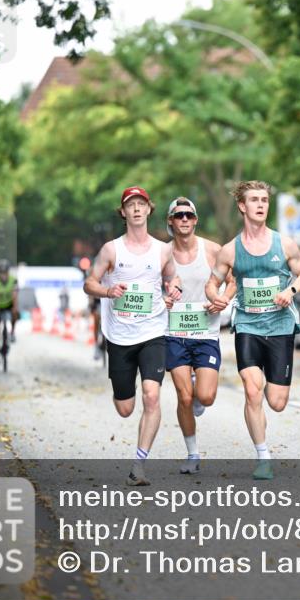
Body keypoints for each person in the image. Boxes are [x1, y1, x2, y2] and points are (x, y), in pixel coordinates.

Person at [206, 181, 300, 481]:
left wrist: (290, 290)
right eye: (254, 200)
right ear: (242, 206)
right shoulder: (230, 251)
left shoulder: (285, 244)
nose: (260, 205)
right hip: (248, 326)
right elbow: (213, 282)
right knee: (253, 391)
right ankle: (263, 456)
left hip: (280, 326)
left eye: (264, 199)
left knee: (276, 402)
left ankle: (270, 388)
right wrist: (218, 297)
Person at [83, 186, 181, 486]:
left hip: (153, 332)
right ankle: (120, 390)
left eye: (141, 204)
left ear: (149, 210)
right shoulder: (112, 250)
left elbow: (172, 277)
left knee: (152, 397)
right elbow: (89, 283)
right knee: (125, 408)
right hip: (119, 336)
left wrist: (174, 289)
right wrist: (107, 291)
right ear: (123, 212)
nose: (136, 209)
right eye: (130, 205)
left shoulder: (163, 249)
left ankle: (138, 465)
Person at [165, 197, 236, 474]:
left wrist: (223, 299)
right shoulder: (162, 254)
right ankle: (192, 454)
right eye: (179, 215)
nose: (184, 220)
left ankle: (198, 392)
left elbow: (232, 281)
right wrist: (163, 300)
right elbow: (150, 287)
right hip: (174, 333)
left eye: (189, 215)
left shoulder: (212, 250)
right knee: (183, 397)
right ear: (171, 221)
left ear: (195, 220)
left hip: (206, 333)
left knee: (204, 397)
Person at [0, 260, 19, 364]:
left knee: (16, 312)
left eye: (5, 273)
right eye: (1, 273)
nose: (3, 275)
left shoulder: (13, 280)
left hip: (9, 305)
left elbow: (15, 295)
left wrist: (14, 308)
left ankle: (12, 332)